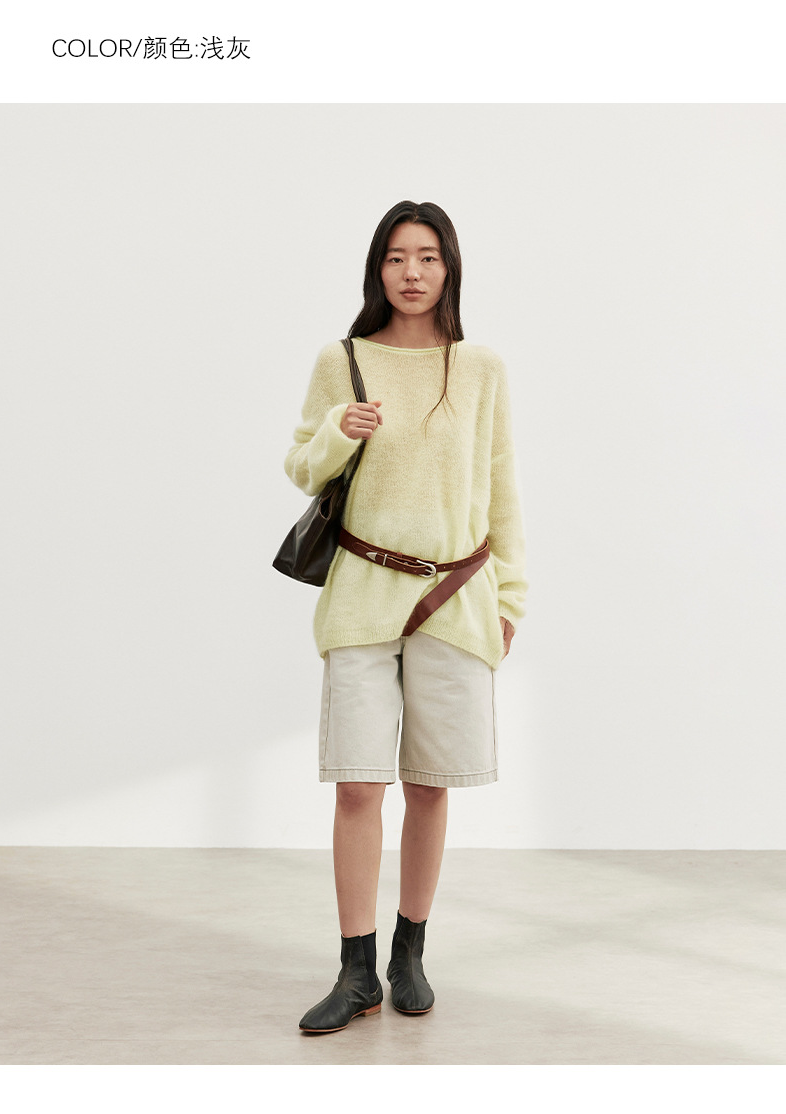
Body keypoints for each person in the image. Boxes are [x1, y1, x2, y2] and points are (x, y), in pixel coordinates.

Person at [283, 200, 528, 1033]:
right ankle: (355, 971)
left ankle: (408, 954)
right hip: (361, 594)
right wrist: (338, 433)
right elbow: (301, 466)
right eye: (395, 257)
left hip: (455, 601)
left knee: (428, 787)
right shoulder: (343, 359)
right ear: (376, 269)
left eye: (427, 256)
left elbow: (501, 489)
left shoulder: (480, 368)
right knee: (359, 784)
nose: (412, 272)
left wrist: (511, 599)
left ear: (449, 267)